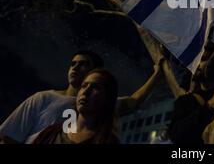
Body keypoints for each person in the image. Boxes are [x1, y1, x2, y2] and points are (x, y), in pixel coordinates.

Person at [0, 50, 162, 144]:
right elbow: (8, 136)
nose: (76, 67)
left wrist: (158, 74)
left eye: (83, 64)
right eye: (73, 63)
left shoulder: (98, 104)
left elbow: (134, 100)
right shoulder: (43, 98)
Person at [33, 69, 119, 144]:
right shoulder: (52, 132)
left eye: (95, 87)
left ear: (107, 98)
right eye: (84, 86)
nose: (86, 91)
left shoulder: (107, 141)